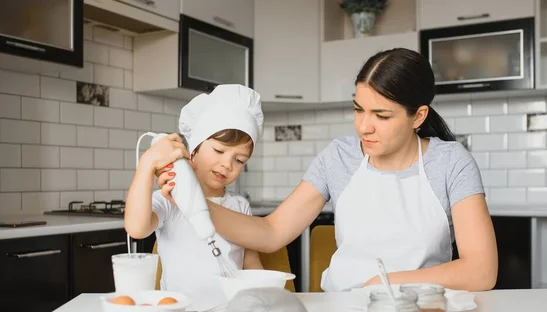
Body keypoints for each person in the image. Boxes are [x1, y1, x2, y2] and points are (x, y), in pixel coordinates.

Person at [157, 48, 498, 292]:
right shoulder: (340, 156)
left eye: (381, 116)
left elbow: (481, 271)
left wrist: (386, 283)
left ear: (418, 116)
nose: (364, 127)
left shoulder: (451, 162)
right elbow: (272, 232)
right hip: (345, 310)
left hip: (420, 309)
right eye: (358, 109)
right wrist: (191, 201)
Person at [125, 84, 264, 299]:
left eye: (239, 160)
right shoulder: (169, 198)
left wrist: (265, 296)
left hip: (229, 310)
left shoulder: (240, 205)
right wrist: (147, 164)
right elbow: (136, 228)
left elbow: (251, 261)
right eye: (218, 150)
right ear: (194, 149)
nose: (227, 164)